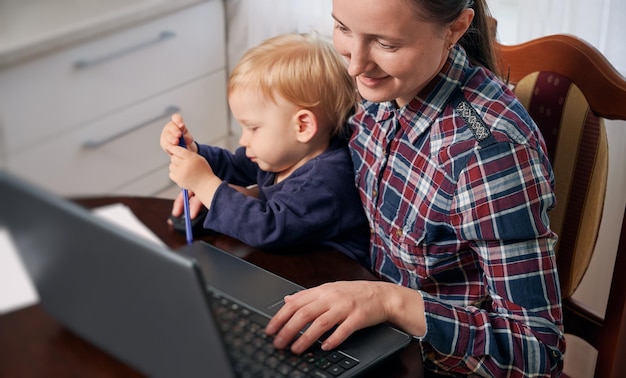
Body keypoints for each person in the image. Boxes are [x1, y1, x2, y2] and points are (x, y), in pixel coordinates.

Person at [264, 0, 566, 377]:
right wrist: (234, 190)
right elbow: (312, 153)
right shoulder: (379, 90)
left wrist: (392, 303)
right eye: (342, 28)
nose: (354, 65)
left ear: (455, 29)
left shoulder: (489, 157)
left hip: (434, 363)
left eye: (386, 45)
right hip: (371, 337)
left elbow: (536, 352)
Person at [160, 32, 371, 266]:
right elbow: (233, 165)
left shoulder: (326, 181)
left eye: (252, 128)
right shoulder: (286, 154)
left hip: (332, 276)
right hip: (289, 264)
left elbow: (266, 227)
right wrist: (193, 151)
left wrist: (204, 184)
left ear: (302, 126)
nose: (243, 140)